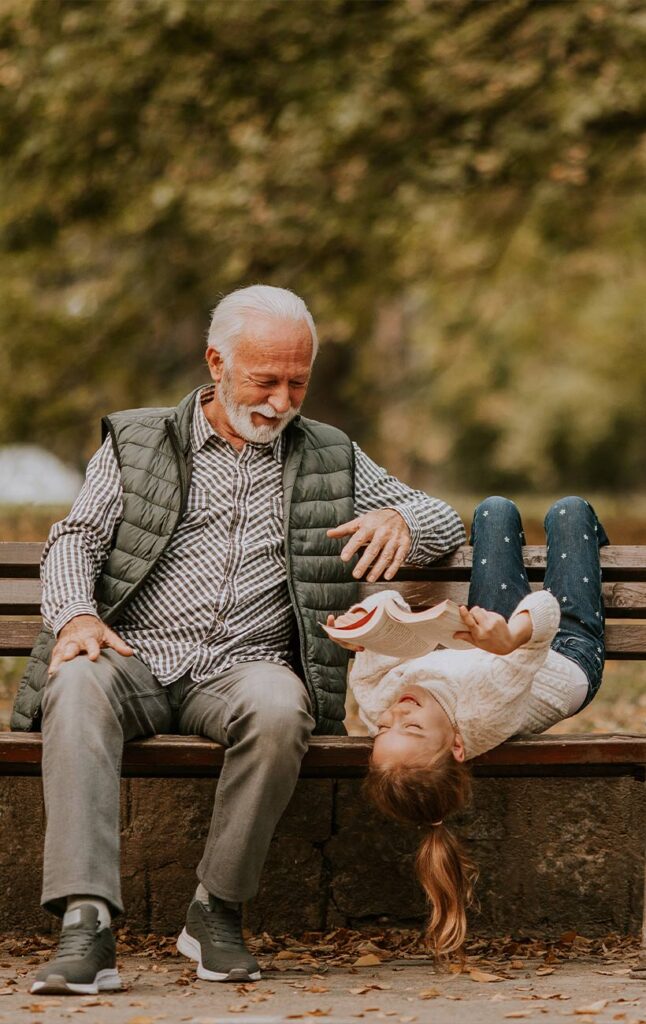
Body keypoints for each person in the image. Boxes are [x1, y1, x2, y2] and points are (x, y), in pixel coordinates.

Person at [12, 284, 466, 994]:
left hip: (242, 669)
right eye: (265, 380)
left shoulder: (327, 454)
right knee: (73, 680)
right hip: (134, 655)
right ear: (215, 363)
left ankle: (216, 910)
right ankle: (85, 923)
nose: (282, 401)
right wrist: (75, 616)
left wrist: (407, 525)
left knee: (282, 706)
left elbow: (441, 517)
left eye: (297, 382)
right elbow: (76, 539)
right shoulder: (137, 440)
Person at [328, 495, 607, 959]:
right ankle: (584, 538)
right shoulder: (484, 708)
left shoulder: (381, 702)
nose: (398, 710)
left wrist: (367, 628)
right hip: (561, 658)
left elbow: (385, 632)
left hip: (482, 650)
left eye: (385, 727)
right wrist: (512, 636)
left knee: (493, 510)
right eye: (412, 726)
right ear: (458, 745)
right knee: (569, 512)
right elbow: (544, 612)